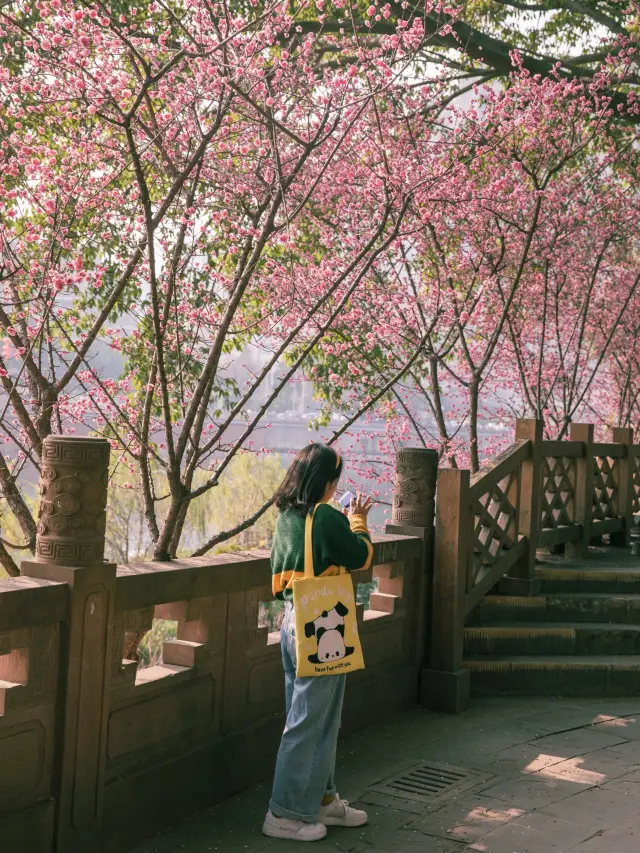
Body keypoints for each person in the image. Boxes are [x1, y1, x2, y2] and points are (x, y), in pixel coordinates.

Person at [262, 443, 374, 842]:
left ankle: (322, 800)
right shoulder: (325, 516)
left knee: (315, 716)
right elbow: (360, 555)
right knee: (312, 720)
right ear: (327, 482)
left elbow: (277, 580)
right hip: (323, 620)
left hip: (293, 618)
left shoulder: (286, 518)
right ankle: (285, 812)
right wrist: (358, 520)